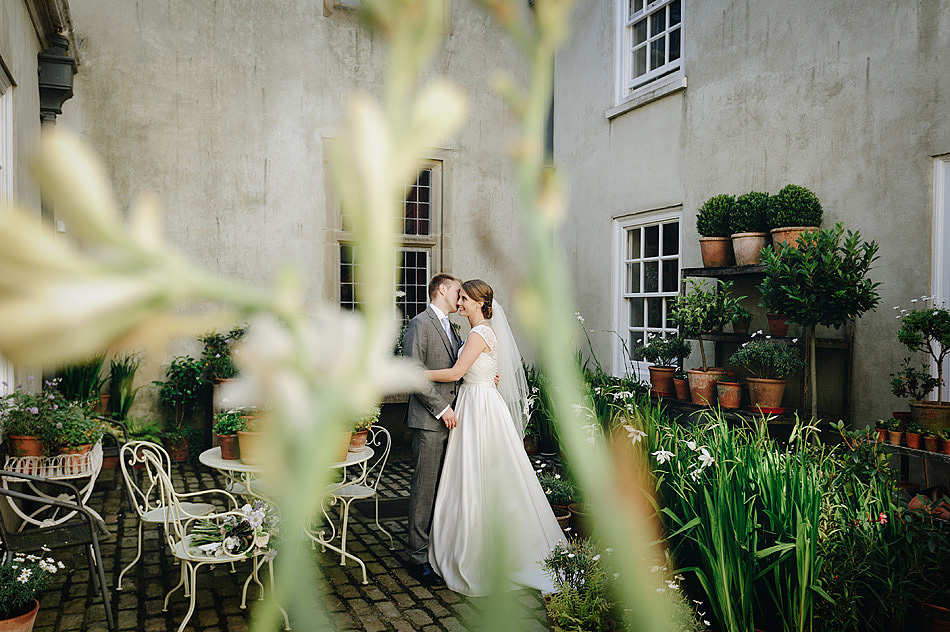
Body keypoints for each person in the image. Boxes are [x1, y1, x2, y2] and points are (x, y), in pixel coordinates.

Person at [423, 279, 565, 596]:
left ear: (477, 302)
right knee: (480, 475)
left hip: (479, 408)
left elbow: (456, 373)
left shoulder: (478, 333)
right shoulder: (483, 332)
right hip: (478, 402)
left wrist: (418, 373)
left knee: (479, 475)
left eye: (463, 299)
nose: (458, 303)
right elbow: (484, 369)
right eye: (458, 298)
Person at [402, 273, 464, 586]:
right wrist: (441, 408)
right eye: (457, 290)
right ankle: (416, 556)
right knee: (424, 489)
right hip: (430, 421)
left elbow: (455, 371)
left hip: (455, 419)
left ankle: (437, 547)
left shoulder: (452, 327)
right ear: (442, 289)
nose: (461, 296)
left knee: (444, 486)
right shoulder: (420, 323)